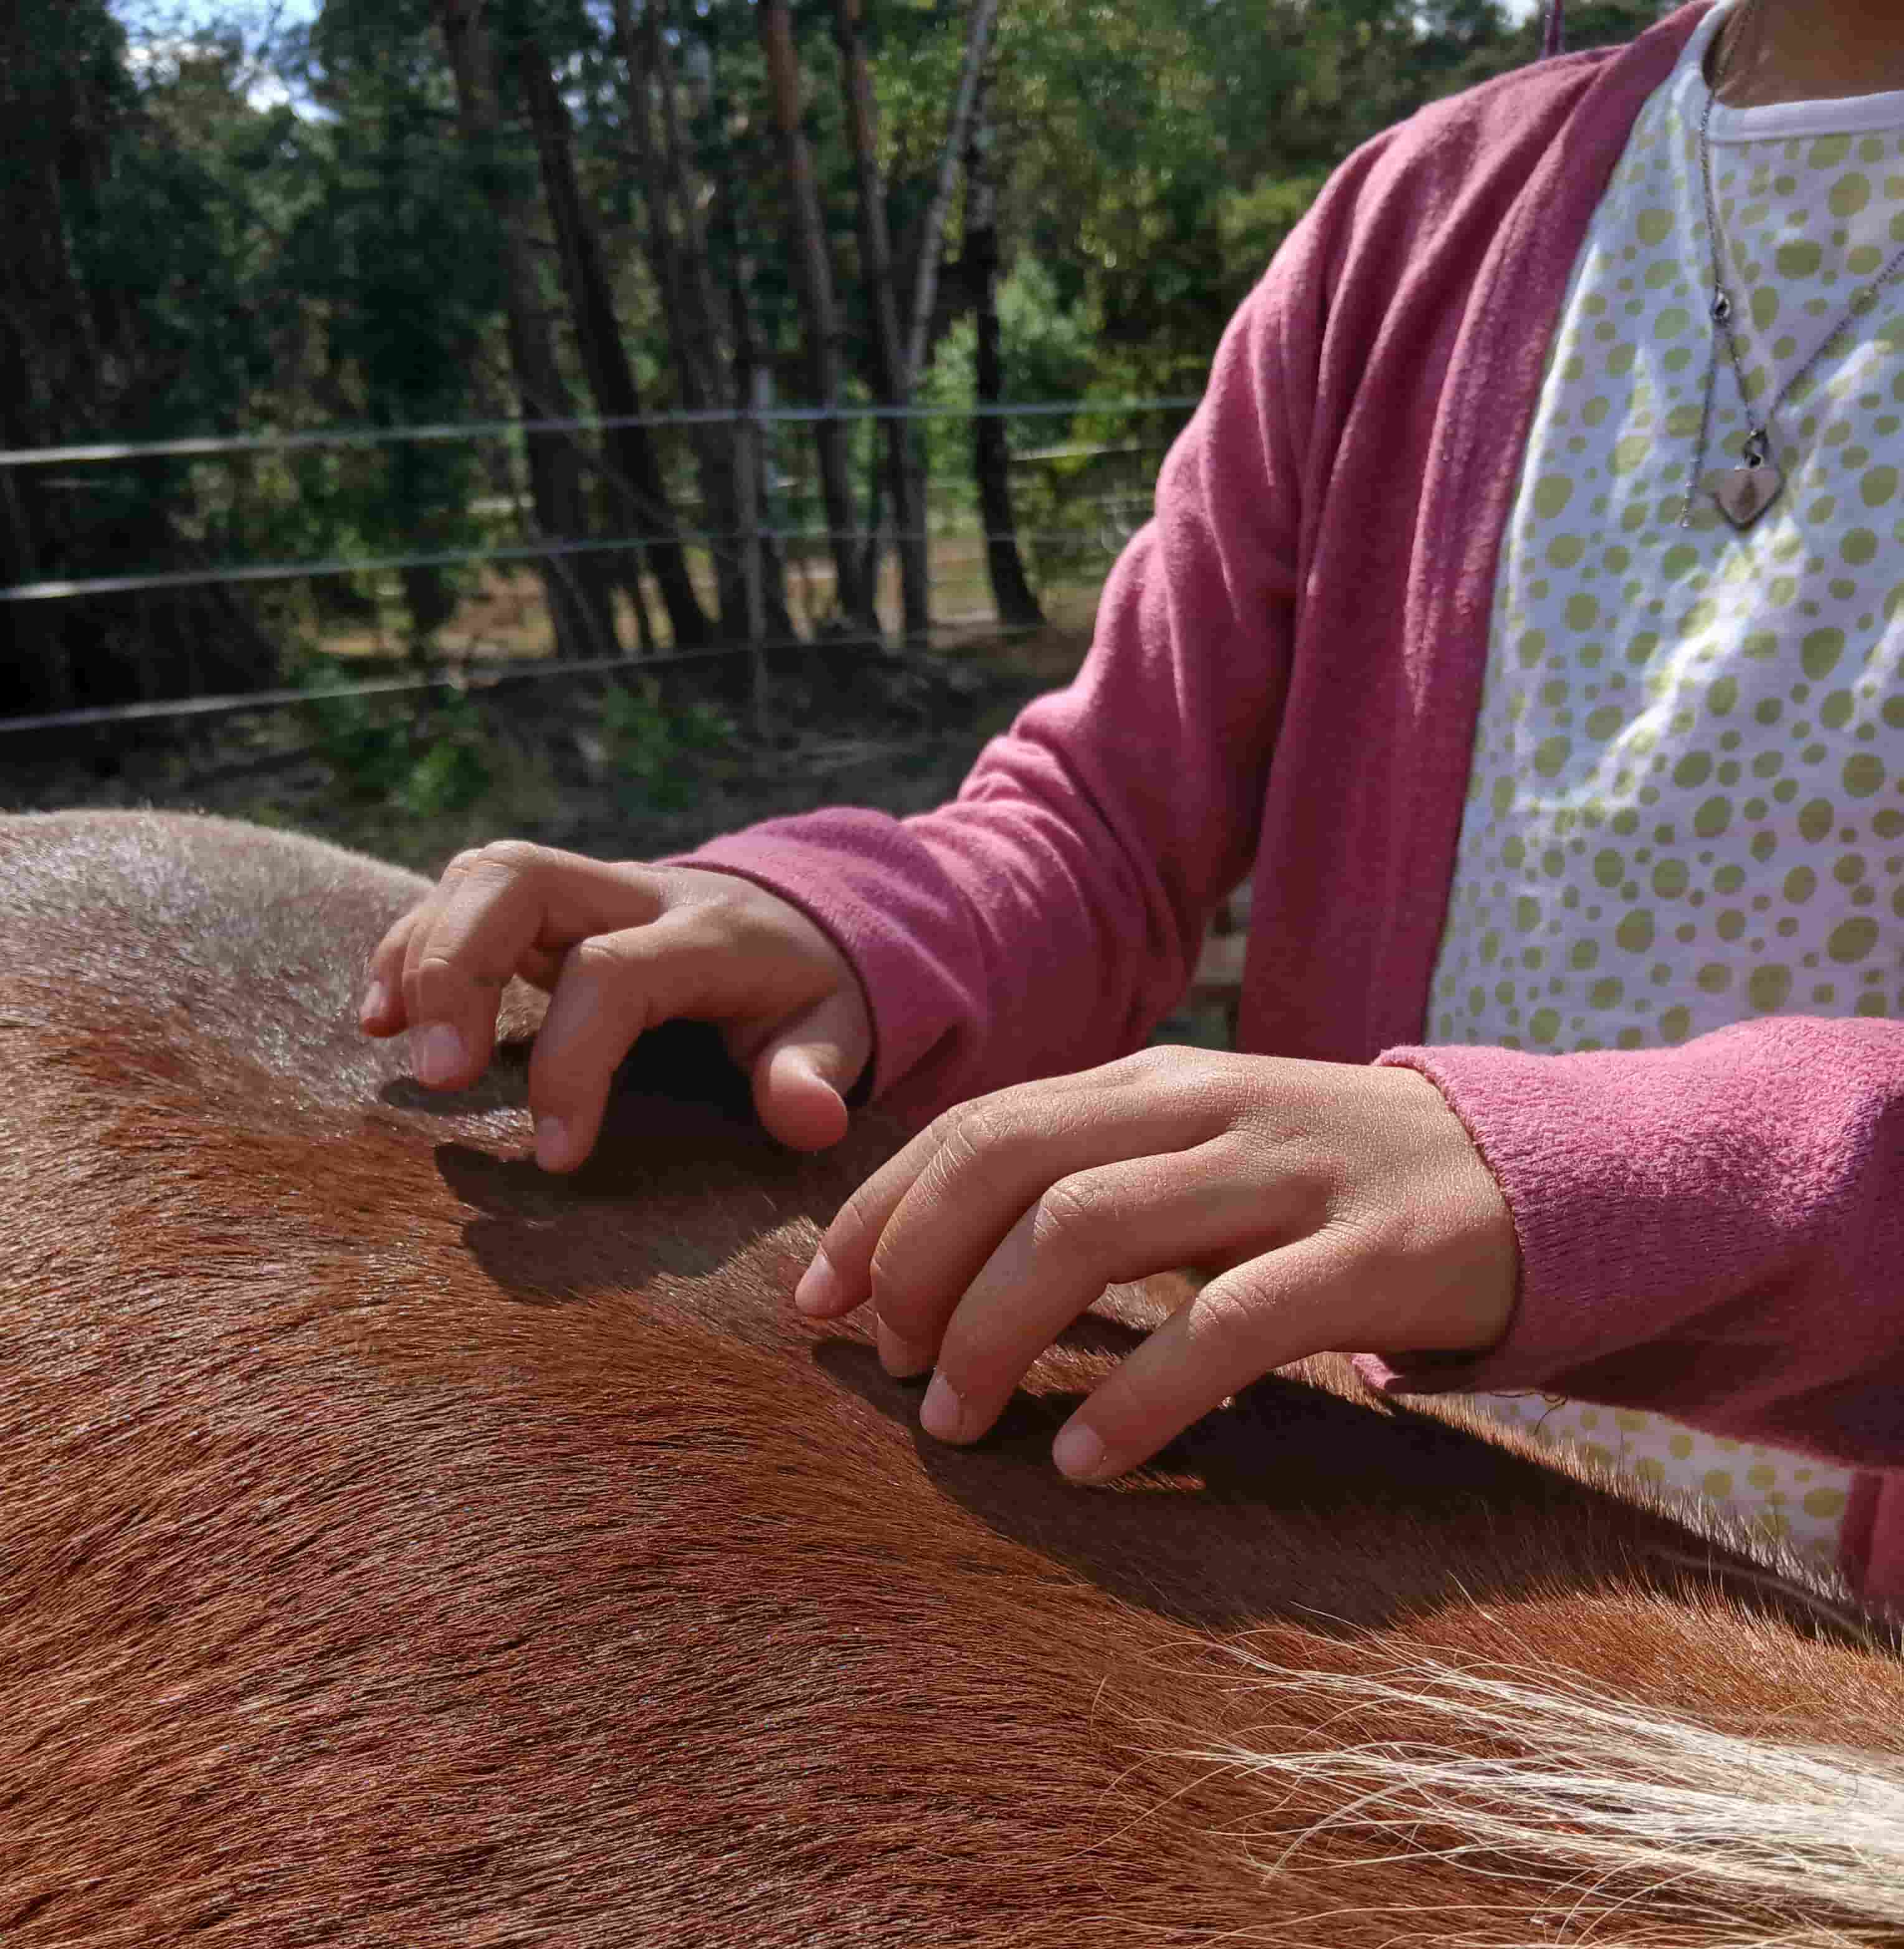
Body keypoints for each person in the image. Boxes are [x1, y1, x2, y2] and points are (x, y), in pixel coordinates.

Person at [361, 0, 1904, 1602]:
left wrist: (1588, 1192)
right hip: (1406, 1587)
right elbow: (1104, 815)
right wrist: (850, 920)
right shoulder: (1423, 221)